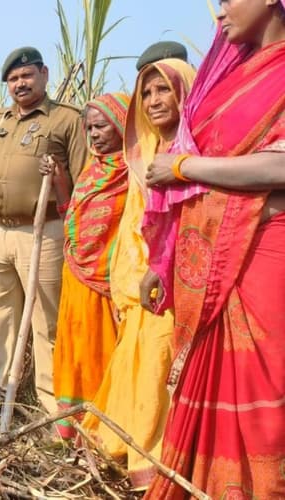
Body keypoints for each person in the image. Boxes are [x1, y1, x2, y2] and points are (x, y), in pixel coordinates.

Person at [139, 2, 285, 497]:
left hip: (265, 251)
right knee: (212, 380)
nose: (219, 13)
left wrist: (183, 168)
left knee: (265, 385)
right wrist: (166, 261)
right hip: (207, 262)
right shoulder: (225, 79)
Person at [78, 59, 195, 488]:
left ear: (186, 92)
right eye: (146, 93)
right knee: (137, 360)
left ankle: (153, 460)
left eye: (163, 90)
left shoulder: (196, 151)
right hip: (137, 281)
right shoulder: (143, 151)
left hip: (177, 280)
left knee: (160, 368)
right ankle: (126, 446)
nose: (153, 101)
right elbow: (133, 220)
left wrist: (162, 267)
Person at [0, 46, 87, 419]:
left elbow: (83, 180)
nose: (20, 83)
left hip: (43, 232)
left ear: (44, 74)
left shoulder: (66, 120)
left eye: (27, 75)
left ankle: (51, 399)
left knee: (48, 318)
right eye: (13, 79)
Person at [44, 93, 130, 438]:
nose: (94, 134)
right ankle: (72, 423)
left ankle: (103, 427)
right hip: (78, 275)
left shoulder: (136, 171)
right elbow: (71, 215)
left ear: (122, 125)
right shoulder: (92, 171)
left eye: (101, 127)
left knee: (103, 348)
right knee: (76, 346)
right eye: (90, 128)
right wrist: (60, 181)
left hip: (112, 283)